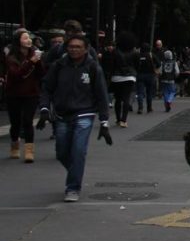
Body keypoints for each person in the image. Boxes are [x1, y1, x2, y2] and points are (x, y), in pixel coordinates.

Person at [38, 34, 112, 202]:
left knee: (78, 151)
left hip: (84, 113)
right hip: (61, 114)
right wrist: (44, 109)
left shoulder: (93, 68)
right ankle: (75, 171)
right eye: (71, 46)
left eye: (78, 47)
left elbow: (101, 95)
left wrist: (104, 122)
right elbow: (47, 88)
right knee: (62, 152)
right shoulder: (58, 66)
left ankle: (73, 187)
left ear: (85, 49)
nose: (74, 49)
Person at [5, 29, 44, 162]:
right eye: (25, 38)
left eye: (29, 38)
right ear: (18, 41)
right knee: (15, 122)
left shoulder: (34, 54)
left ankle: (29, 151)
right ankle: (15, 145)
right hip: (14, 94)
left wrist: (38, 62)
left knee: (28, 121)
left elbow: (40, 74)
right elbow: (16, 75)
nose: (29, 40)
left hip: (31, 93)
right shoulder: (11, 57)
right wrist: (31, 62)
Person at [109, 35, 138, 128]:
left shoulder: (115, 52)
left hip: (117, 76)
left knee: (118, 99)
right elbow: (137, 64)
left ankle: (118, 119)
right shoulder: (134, 52)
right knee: (126, 98)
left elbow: (112, 64)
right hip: (129, 76)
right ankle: (123, 120)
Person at [136, 43, 158, 114]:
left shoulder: (138, 56)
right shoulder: (151, 55)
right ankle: (149, 107)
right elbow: (159, 63)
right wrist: (155, 67)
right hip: (150, 75)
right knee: (149, 92)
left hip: (140, 75)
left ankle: (140, 108)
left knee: (140, 92)